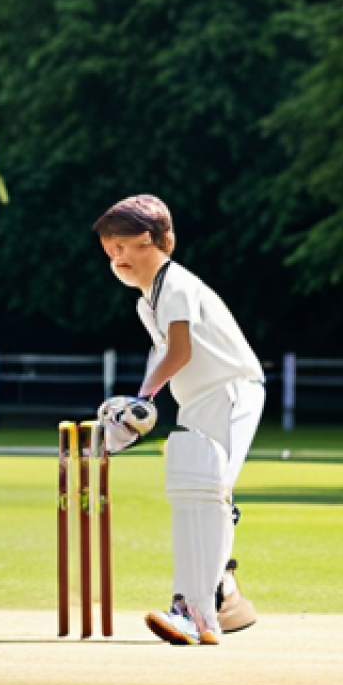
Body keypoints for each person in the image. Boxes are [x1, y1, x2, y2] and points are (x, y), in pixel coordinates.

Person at [93, 195, 263, 645]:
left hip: (230, 391)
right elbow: (164, 359)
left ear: (148, 239)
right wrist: (134, 415)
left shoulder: (177, 285)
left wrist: (141, 400)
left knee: (207, 494)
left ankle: (199, 610)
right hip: (198, 400)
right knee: (193, 493)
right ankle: (213, 603)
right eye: (109, 250)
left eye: (122, 246)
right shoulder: (148, 301)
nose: (115, 258)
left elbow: (180, 352)